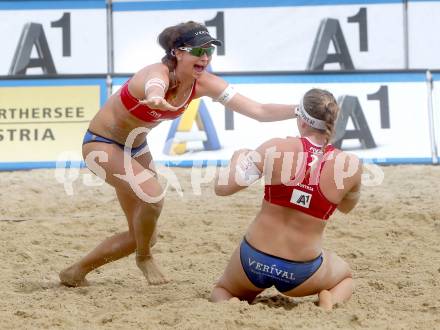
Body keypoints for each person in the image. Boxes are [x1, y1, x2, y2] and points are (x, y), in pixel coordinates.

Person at [59, 21, 296, 287]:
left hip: (135, 147)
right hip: (101, 144)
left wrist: (299, 110)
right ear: (177, 52)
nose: (205, 57)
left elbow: (260, 111)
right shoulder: (156, 74)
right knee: (153, 197)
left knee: (143, 233)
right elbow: (154, 85)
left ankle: (75, 273)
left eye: (209, 51)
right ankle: (145, 258)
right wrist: (156, 97)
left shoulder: (203, 83)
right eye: (198, 51)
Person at [210, 88, 362, 310]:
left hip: (252, 260)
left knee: (221, 291)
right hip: (301, 271)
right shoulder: (350, 165)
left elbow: (222, 188)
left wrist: (238, 159)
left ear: (301, 121)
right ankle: (329, 301)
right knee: (345, 278)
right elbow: (347, 208)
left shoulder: (276, 147)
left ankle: (234, 304)